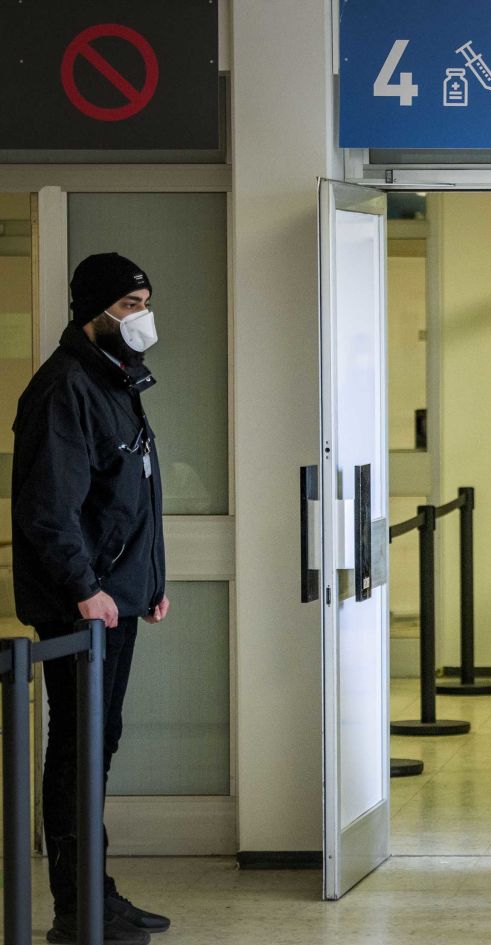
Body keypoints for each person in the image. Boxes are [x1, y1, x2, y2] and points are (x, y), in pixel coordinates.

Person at [11, 253, 171, 945]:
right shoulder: (65, 387)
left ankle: (97, 890)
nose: (142, 317)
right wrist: (87, 590)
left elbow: (124, 492)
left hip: (116, 597)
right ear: (96, 311)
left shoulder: (113, 380)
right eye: (131, 304)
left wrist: (149, 582)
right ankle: (78, 908)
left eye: (144, 301)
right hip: (85, 608)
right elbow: (50, 509)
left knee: (96, 744)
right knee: (78, 746)